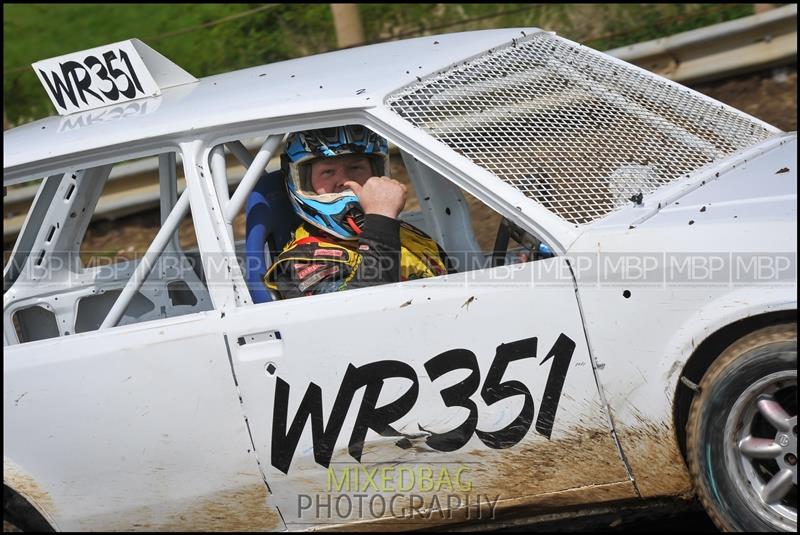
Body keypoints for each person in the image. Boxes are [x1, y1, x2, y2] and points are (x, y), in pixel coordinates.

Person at [264, 125, 452, 299]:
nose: (344, 182)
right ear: (302, 181)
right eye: (328, 172)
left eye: (355, 168)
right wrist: (381, 221)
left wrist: (382, 224)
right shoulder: (302, 262)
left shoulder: (410, 237)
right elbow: (358, 315)